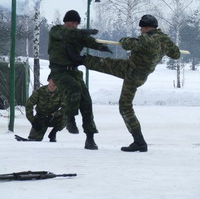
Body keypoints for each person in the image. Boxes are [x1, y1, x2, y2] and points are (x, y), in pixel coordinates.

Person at [68, 15, 181, 152]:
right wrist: (163, 48)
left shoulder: (146, 39)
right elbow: (176, 54)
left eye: (141, 28)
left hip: (133, 74)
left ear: (145, 27)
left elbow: (126, 43)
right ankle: (81, 60)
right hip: (138, 71)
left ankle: (139, 142)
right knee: (107, 64)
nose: (140, 30)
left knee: (125, 106)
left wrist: (127, 39)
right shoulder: (164, 40)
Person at [48, 9, 112, 150]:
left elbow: (89, 41)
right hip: (59, 71)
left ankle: (90, 138)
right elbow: (67, 33)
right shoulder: (56, 30)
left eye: (77, 23)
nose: (74, 25)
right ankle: (70, 119)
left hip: (74, 71)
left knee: (86, 102)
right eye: (72, 22)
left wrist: (101, 47)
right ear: (65, 22)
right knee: (74, 88)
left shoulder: (77, 34)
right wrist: (82, 32)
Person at [25, 74, 66, 142]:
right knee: (34, 139)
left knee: (67, 116)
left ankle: (53, 133)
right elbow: (29, 104)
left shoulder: (61, 93)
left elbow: (66, 107)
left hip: (53, 118)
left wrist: (54, 114)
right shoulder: (39, 91)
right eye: (53, 80)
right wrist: (32, 121)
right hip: (41, 117)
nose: (55, 83)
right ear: (48, 81)